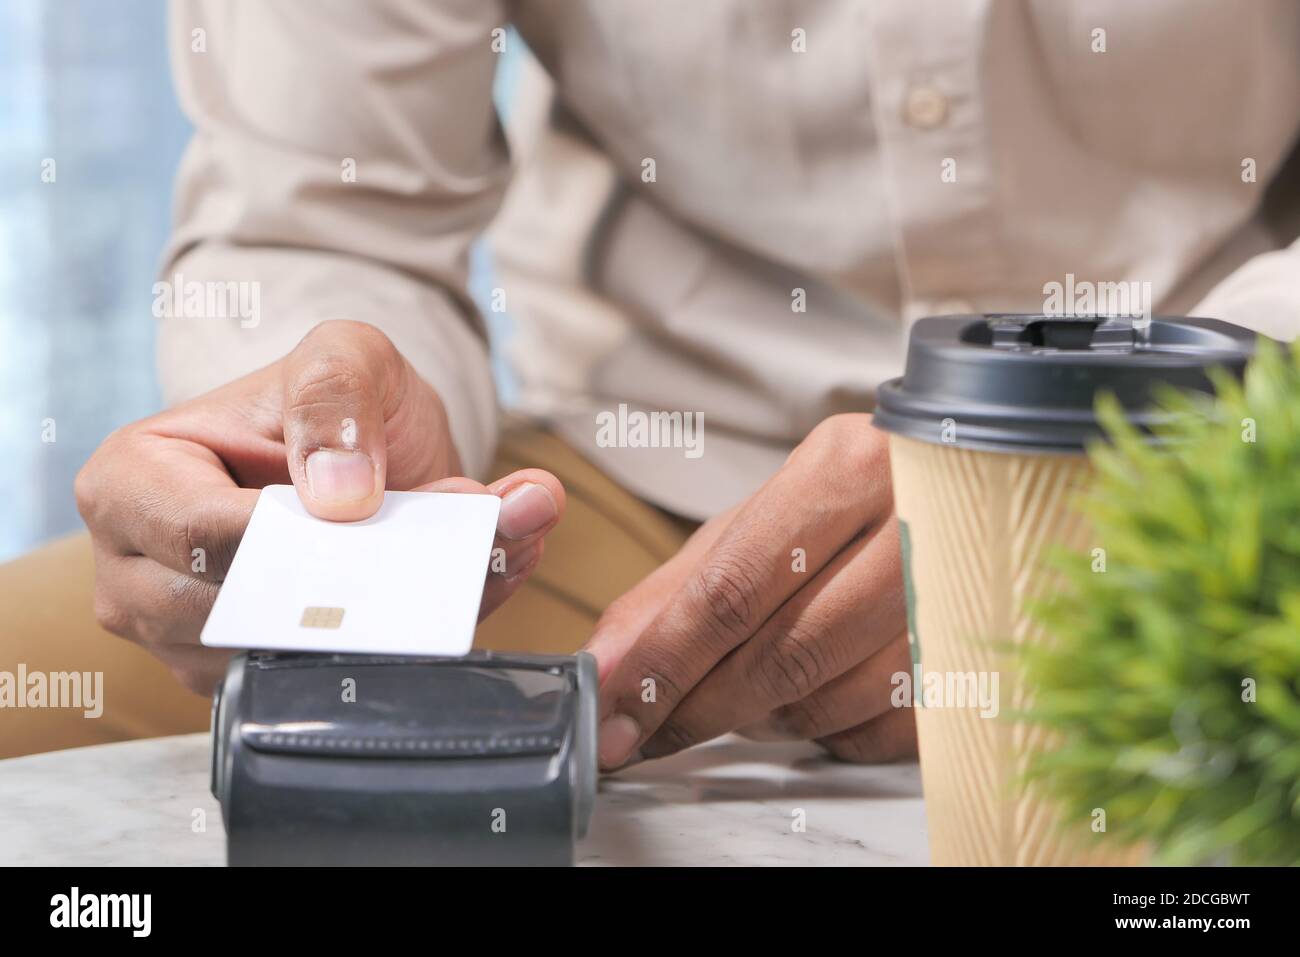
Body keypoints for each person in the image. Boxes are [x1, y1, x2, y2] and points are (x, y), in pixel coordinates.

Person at [16, 0, 1300, 766]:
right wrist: (309, 462)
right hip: (604, 502)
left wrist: (1099, 482)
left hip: (1214, 465)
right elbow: (327, 210)